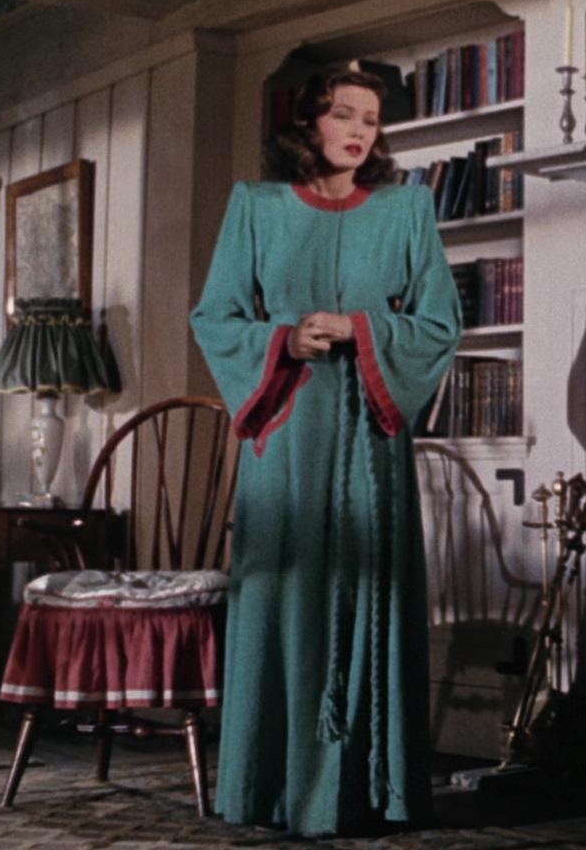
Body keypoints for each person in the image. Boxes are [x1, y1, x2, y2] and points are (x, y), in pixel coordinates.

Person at [190, 66, 461, 835]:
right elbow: (215, 317)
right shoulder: (256, 206)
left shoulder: (407, 209)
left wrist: (359, 329)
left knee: (370, 587)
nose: (358, 132)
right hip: (288, 430)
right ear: (309, 123)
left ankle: (371, 793)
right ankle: (271, 787)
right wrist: (285, 339)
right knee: (288, 591)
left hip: (372, 434)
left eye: (371, 121)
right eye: (344, 115)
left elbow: (440, 323)